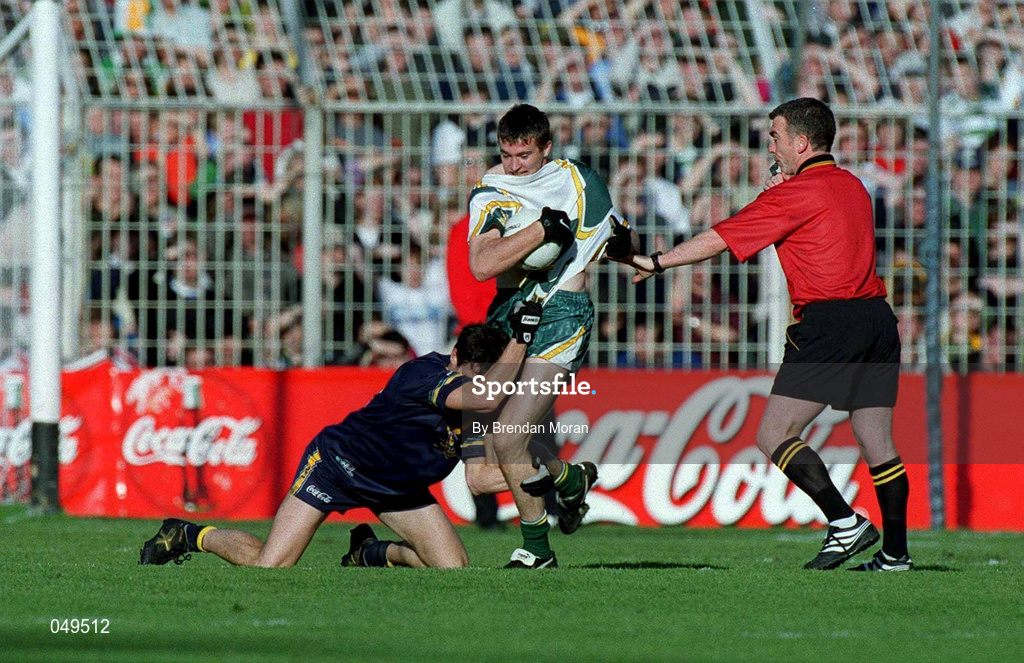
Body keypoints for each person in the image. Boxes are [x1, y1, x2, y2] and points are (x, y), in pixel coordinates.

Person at [608, 98, 912, 572]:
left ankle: (845, 523)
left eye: (775, 136)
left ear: (801, 142)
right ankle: (895, 554)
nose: (769, 144)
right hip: (876, 317)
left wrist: (656, 261)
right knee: (877, 439)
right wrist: (779, 191)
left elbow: (722, 236)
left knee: (774, 435)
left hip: (830, 321)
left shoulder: (793, 194)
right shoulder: (854, 185)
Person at [139, 311, 544, 569]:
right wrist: (522, 339)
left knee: (452, 569)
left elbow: (480, 477)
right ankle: (189, 534)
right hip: (338, 465)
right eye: (468, 371)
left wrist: (552, 472)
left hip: (395, 488)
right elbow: (482, 395)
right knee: (271, 565)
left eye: (482, 374)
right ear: (454, 357)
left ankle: (369, 553)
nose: (472, 381)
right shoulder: (427, 375)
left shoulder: (478, 402)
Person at [467, 104, 615, 568]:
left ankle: (536, 550)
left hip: (563, 315)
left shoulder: (579, 180)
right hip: (508, 315)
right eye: (507, 154)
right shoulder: (492, 189)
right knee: (481, 472)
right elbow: (482, 265)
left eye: (524, 155)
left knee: (510, 436)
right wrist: (540, 230)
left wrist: (655, 263)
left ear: (546, 148)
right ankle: (569, 480)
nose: (514, 165)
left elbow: (612, 235)